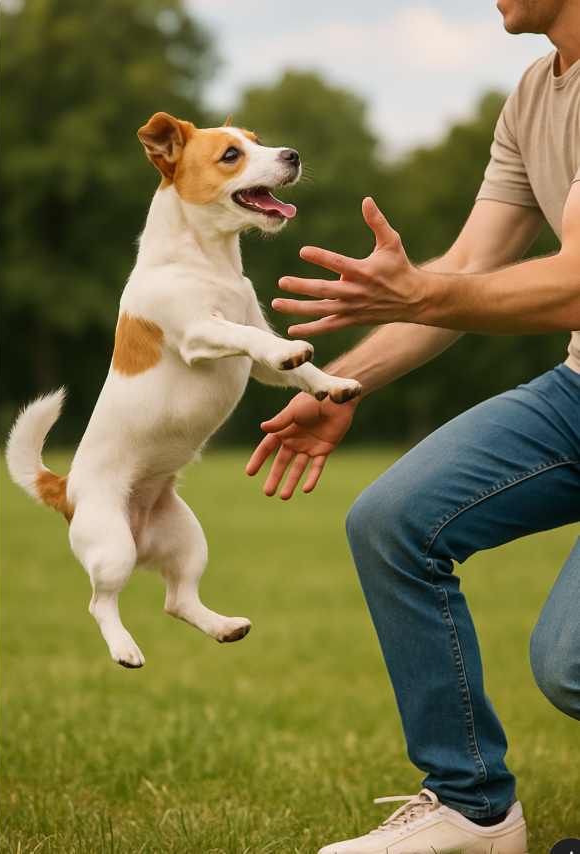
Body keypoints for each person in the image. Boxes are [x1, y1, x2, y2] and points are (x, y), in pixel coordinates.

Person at [246, 1, 580, 852]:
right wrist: (341, 387)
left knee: (571, 660)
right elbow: (467, 270)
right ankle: (474, 811)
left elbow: (572, 286)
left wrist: (422, 291)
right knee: (395, 521)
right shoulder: (536, 94)